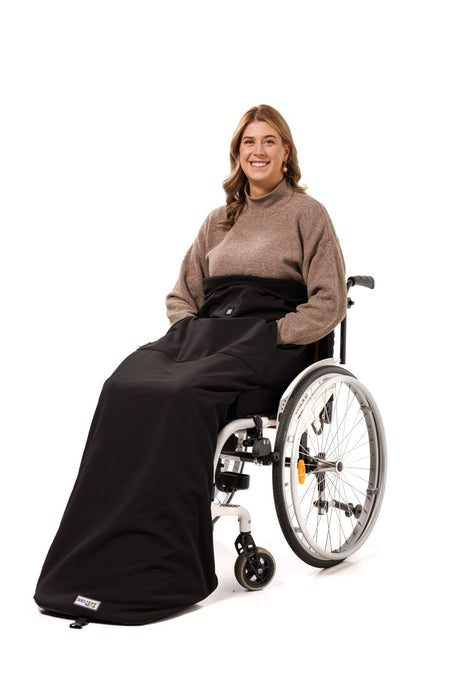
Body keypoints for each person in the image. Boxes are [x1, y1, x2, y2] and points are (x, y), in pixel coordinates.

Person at [34, 105, 347, 626]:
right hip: (205, 333)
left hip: (268, 338)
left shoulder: (307, 214)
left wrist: (273, 333)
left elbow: (329, 302)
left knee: (181, 394)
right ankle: (94, 560)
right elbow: (182, 294)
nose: (259, 151)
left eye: (269, 141)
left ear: (286, 152)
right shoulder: (219, 220)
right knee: (124, 386)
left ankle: (164, 563)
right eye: (249, 142)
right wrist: (188, 329)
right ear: (237, 153)